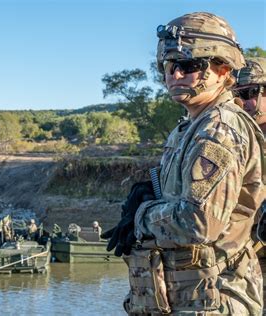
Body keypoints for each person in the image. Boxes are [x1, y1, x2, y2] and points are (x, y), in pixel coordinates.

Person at [107, 12, 264, 315]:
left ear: (223, 69)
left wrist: (142, 215)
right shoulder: (187, 129)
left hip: (215, 297)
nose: (175, 75)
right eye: (169, 65)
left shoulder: (219, 128)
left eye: (190, 65)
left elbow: (199, 223)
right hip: (185, 297)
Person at [233, 57, 266, 251]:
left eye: (249, 93)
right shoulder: (234, 136)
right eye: (236, 94)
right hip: (245, 254)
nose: (241, 101)